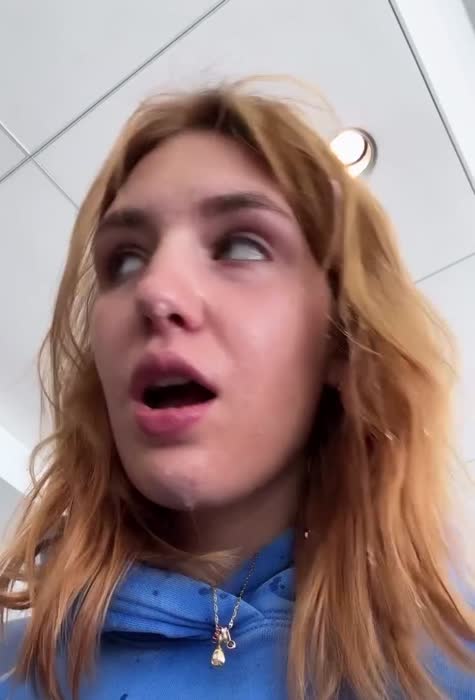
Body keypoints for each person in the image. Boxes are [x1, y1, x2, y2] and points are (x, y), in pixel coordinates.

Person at [0, 78, 474, 700]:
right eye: (126, 259)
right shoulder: (13, 668)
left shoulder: (448, 666)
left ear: (340, 340)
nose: (155, 291)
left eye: (241, 245)